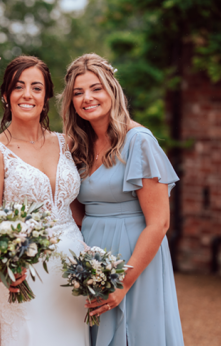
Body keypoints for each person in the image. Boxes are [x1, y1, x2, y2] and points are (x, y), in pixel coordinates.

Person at [61, 52, 184, 346]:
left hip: (134, 258)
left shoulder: (139, 141)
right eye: (78, 93)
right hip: (92, 255)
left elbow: (160, 222)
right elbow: (76, 209)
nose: (87, 98)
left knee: (135, 335)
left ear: (112, 91)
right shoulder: (78, 146)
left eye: (96, 88)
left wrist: (123, 282)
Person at [0, 56, 89, 346]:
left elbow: (75, 208)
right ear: (6, 95)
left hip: (72, 265)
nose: (28, 95)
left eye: (36, 87)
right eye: (19, 87)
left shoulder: (67, 143)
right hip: (25, 271)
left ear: (47, 95)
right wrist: (6, 268)